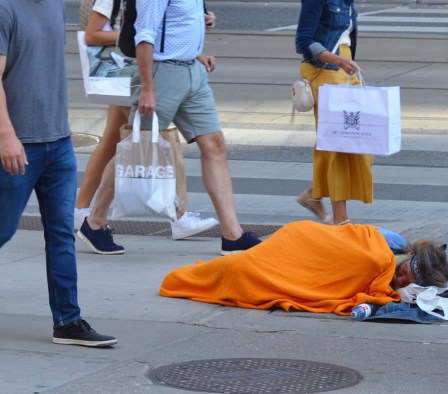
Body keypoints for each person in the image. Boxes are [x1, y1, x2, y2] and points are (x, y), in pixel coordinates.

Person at [0, 0, 116, 347]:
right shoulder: (6, 8)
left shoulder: (53, 5)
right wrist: (6, 137)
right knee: (3, 230)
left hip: (59, 143)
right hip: (19, 146)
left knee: (62, 234)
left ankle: (67, 320)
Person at [75, 0, 219, 254]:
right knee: (141, 139)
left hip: (138, 68)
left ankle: (82, 211)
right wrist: (140, 37)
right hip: (129, 69)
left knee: (116, 141)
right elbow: (92, 33)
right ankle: (177, 214)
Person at [131, 0, 261, 255]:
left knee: (214, 142)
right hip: (163, 73)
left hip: (193, 70)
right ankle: (96, 220)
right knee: (137, 149)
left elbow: (178, 22)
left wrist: (202, 22)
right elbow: (145, 34)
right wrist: (147, 87)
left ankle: (232, 234)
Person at [160, 221, 448, 314]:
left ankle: (206, 274)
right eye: (404, 271)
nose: (399, 279)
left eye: (405, 281)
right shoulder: (384, 250)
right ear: (409, 259)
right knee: (237, 268)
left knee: (237, 271)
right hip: (298, 243)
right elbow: (349, 237)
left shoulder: (391, 276)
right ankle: (196, 276)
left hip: (301, 262)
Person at [295, 0, 373, 226]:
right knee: (339, 147)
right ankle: (341, 218)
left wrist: (344, 61)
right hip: (326, 72)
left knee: (364, 142)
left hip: (346, 72)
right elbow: (303, 41)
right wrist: (338, 60)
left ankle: (313, 195)